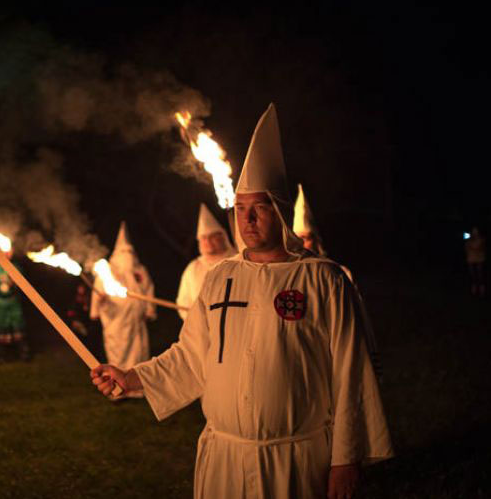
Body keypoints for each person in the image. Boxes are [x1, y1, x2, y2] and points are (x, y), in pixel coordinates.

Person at [92, 103, 393, 498]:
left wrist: (344, 459)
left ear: (281, 211)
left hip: (297, 461)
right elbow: (191, 355)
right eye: (241, 209)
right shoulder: (219, 279)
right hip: (225, 459)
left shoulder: (323, 279)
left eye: (259, 209)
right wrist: (132, 378)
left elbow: (350, 374)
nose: (247, 221)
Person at [293, 183, 383, 379]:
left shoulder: (339, 272)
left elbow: (356, 315)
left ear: (315, 240)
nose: (302, 244)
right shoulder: (286, 276)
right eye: (297, 238)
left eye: (306, 238)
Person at [90, 222, 155, 398]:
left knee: (138, 352)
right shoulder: (109, 271)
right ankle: (118, 388)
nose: (127, 256)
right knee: (118, 352)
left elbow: (148, 289)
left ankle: (137, 389)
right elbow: (98, 292)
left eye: (129, 252)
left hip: (136, 321)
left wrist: (149, 309)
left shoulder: (140, 271)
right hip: (116, 321)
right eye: (123, 252)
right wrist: (96, 306)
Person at [176, 203, 237, 320]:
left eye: (212, 236)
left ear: (222, 236)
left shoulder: (238, 261)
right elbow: (183, 302)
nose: (208, 241)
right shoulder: (193, 268)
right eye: (204, 238)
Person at [0, 248, 30, 362]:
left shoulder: (16, 267)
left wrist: (14, 283)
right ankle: (0, 356)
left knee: (18, 326)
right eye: (5, 250)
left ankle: (24, 355)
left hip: (13, 302)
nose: (8, 253)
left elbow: (22, 285)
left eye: (10, 251)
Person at [293, 182, 327, 256]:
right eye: (296, 239)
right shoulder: (289, 267)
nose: (300, 245)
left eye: (304, 239)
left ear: (316, 240)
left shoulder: (330, 267)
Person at [465, 227, 486, 297]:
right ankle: (474, 291)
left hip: (479, 259)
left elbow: (480, 248)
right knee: (473, 276)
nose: (474, 233)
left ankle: (481, 291)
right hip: (471, 259)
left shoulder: (482, 240)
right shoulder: (469, 241)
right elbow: (467, 249)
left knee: (480, 276)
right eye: (473, 231)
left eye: (476, 231)